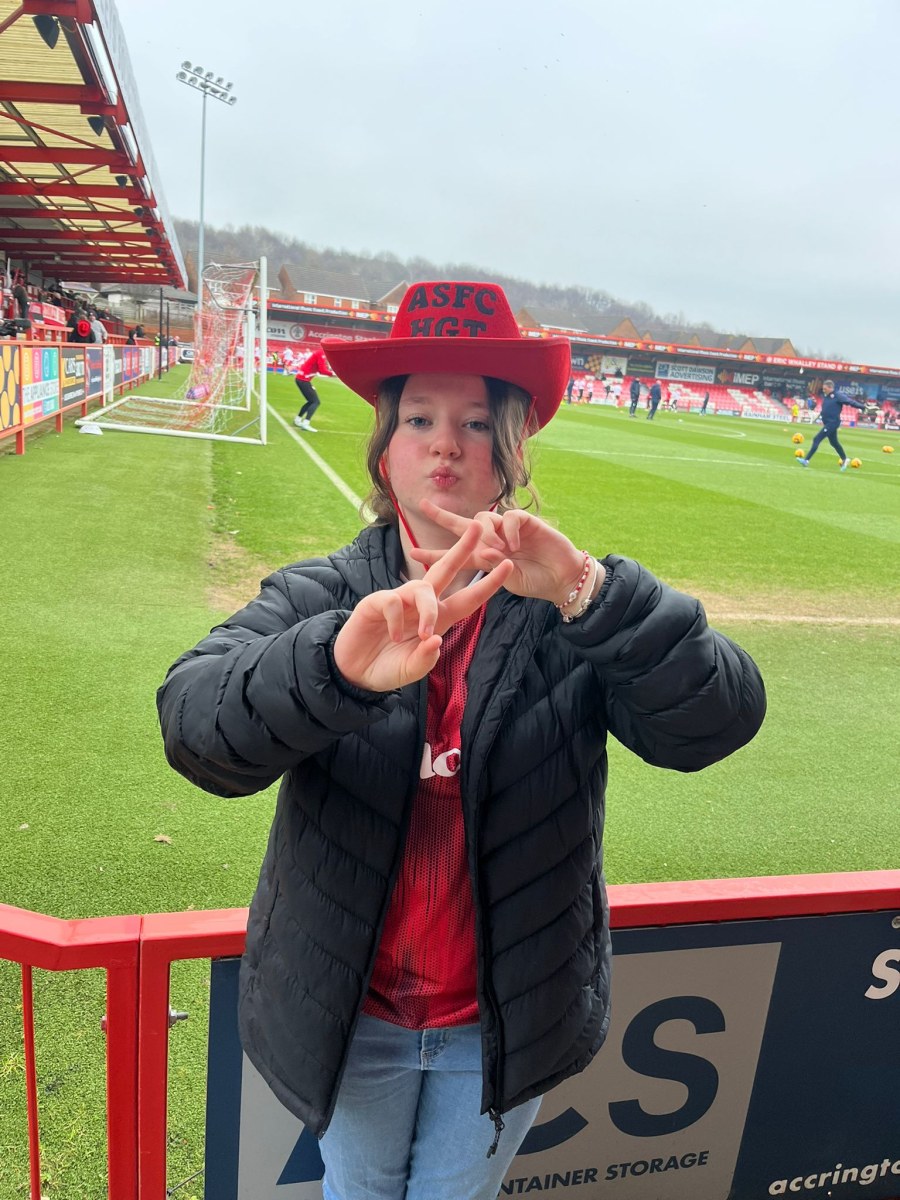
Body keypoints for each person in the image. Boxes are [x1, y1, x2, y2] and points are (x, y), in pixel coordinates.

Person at [156, 279, 766, 1200]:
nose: (446, 442)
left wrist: (589, 594)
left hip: (500, 1024)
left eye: (477, 423)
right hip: (349, 1018)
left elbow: (715, 721)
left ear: (510, 453)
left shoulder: (571, 611)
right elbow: (193, 724)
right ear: (385, 448)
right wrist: (334, 667)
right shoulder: (321, 597)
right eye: (420, 419)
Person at [797, 379, 865, 470]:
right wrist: (819, 416)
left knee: (817, 439)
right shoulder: (827, 397)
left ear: (830, 388)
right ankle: (845, 459)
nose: (823, 390)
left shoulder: (838, 395)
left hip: (833, 423)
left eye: (825, 389)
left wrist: (862, 406)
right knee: (834, 442)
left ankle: (806, 460)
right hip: (828, 423)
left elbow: (849, 401)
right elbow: (826, 410)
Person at [293, 344, 335, 431]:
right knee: (316, 402)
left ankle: (298, 420)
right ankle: (305, 423)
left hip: (301, 379)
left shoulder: (320, 353)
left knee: (311, 401)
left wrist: (331, 373)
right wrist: (333, 374)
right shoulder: (322, 354)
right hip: (303, 379)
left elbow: (320, 369)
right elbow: (322, 370)